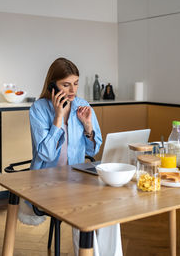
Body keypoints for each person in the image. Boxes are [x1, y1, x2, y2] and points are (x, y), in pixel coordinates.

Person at [20, 57, 123, 256]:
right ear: (52, 86)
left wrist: (88, 126)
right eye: (65, 85)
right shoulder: (39, 109)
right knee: (84, 209)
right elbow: (46, 153)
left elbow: (92, 151)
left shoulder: (82, 105)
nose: (72, 90)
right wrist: (58, 118)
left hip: (76, 177)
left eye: (75, 84)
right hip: (45, 182)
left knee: (111, 205)